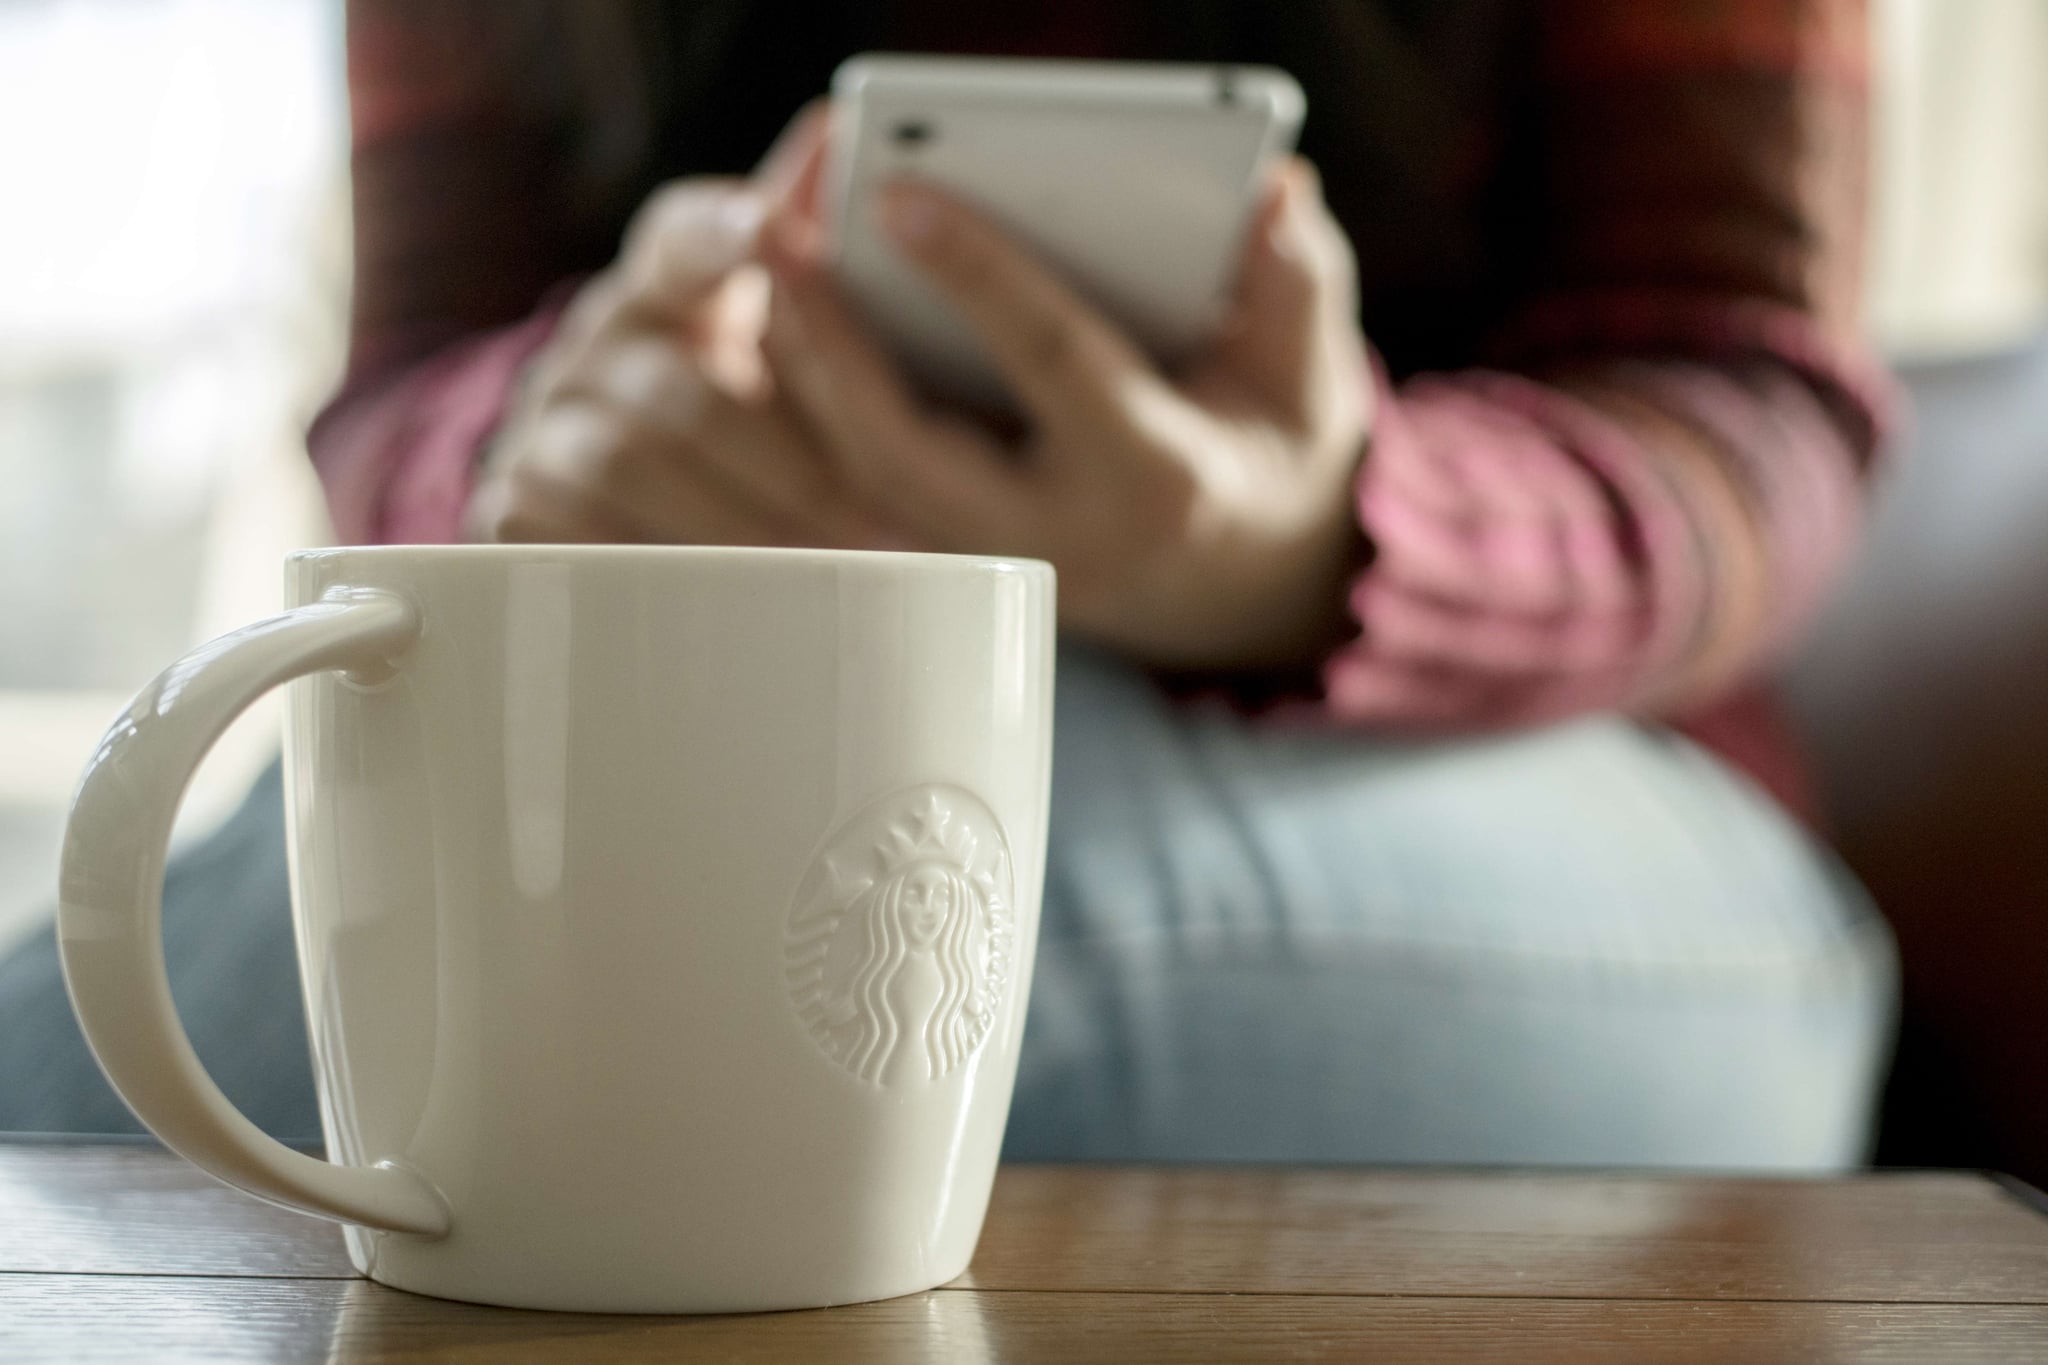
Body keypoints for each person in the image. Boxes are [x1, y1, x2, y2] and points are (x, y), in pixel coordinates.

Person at [0, 0, 1897, 1166]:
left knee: (918, 901)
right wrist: (554, 443)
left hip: (1546, 799)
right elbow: (416, 374)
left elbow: (1750, 412)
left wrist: (1323, 539)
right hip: (707, 769)